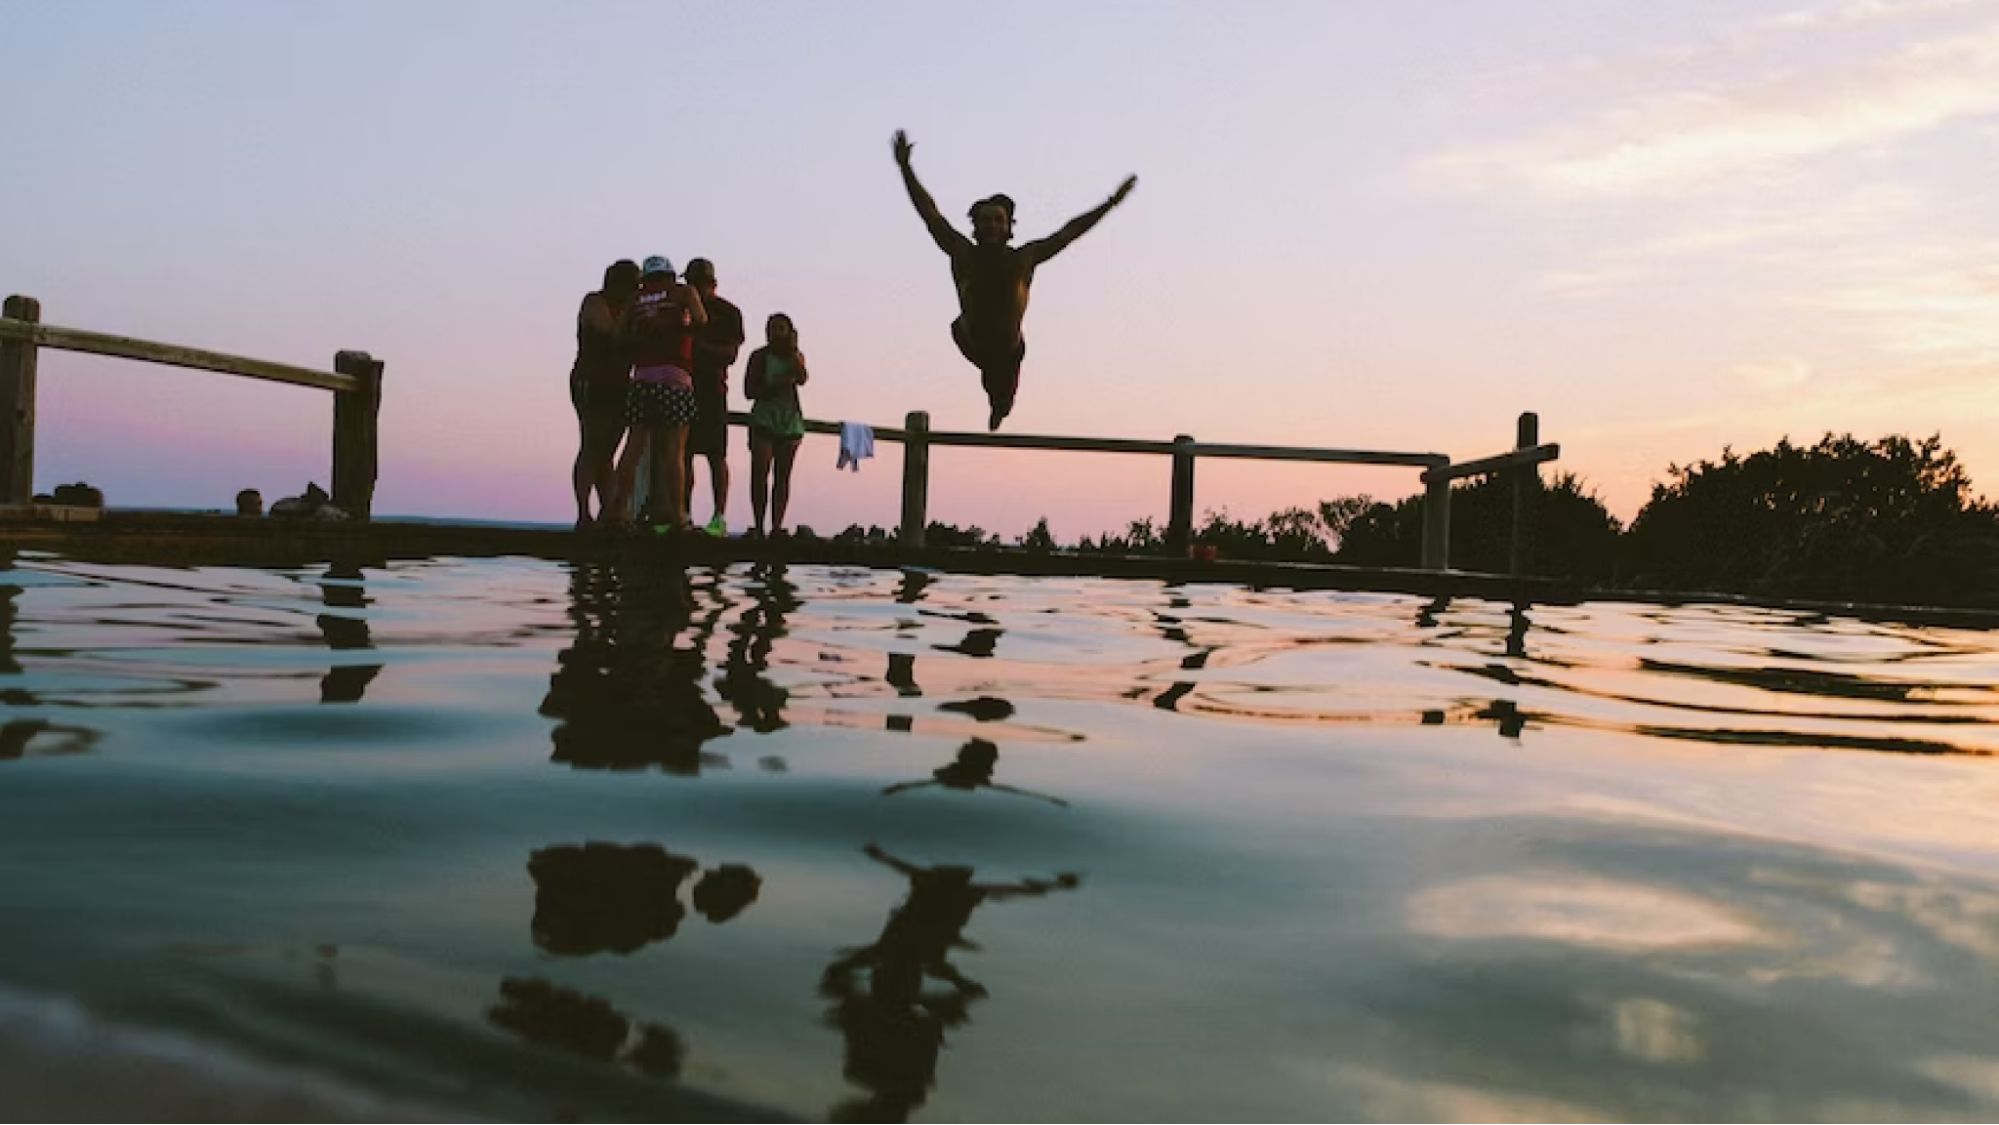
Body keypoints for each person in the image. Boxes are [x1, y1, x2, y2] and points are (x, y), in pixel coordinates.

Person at [890, 129, 1136, 430]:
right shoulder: (963, 252)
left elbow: (1069, 232)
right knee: (989, 372)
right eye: (985, 221)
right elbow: (930, 214)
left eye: (998, 220)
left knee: (1001, 395)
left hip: (1008, 351)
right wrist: (906, 168)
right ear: (975, 228)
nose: (991, 225)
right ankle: (997, 399)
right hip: (970, 340)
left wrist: (1110, 203)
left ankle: (999, 406)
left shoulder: (1023, 259)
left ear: (1009, 227)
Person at [607, 256, 706, 532]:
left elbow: (617, 336)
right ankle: (678, 517)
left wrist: (642, 340)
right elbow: (701, 321)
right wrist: (677, 328)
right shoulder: (684, 293)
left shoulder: (636, 299)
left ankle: (619, 512)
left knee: (633, 446)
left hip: (642, 377)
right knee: (674, 450)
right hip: (676, 376)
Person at [568, 259, 641, 530]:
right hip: (592, 380)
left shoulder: (630, 312)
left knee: (608, 449)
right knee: (592, 443)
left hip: (620, 383)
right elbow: (610, 332)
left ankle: (609, 512)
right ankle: (584, 513)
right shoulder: (594, 302)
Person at [680, 258, 745, 537]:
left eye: (696, 283)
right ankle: (683, 515)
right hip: (683, 388)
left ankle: (719, 517)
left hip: (713, 391)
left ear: (711, 284)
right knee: (683, 455)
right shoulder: (680, 308)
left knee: (716, 456)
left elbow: (730, 354)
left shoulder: (729, 313)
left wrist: (700, 348)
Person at [742, 313, 809, 538]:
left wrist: (793, 350)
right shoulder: (759, 357)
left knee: (783, 477)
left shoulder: (795, 356)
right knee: (760, 472)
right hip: (764, 419)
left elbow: (802, 377)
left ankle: (777, 526)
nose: (775, 333)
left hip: (789, 422)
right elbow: (749, 391)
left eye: (781, 328)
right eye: (771, 328)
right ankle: (758, 525)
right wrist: (774, 386)